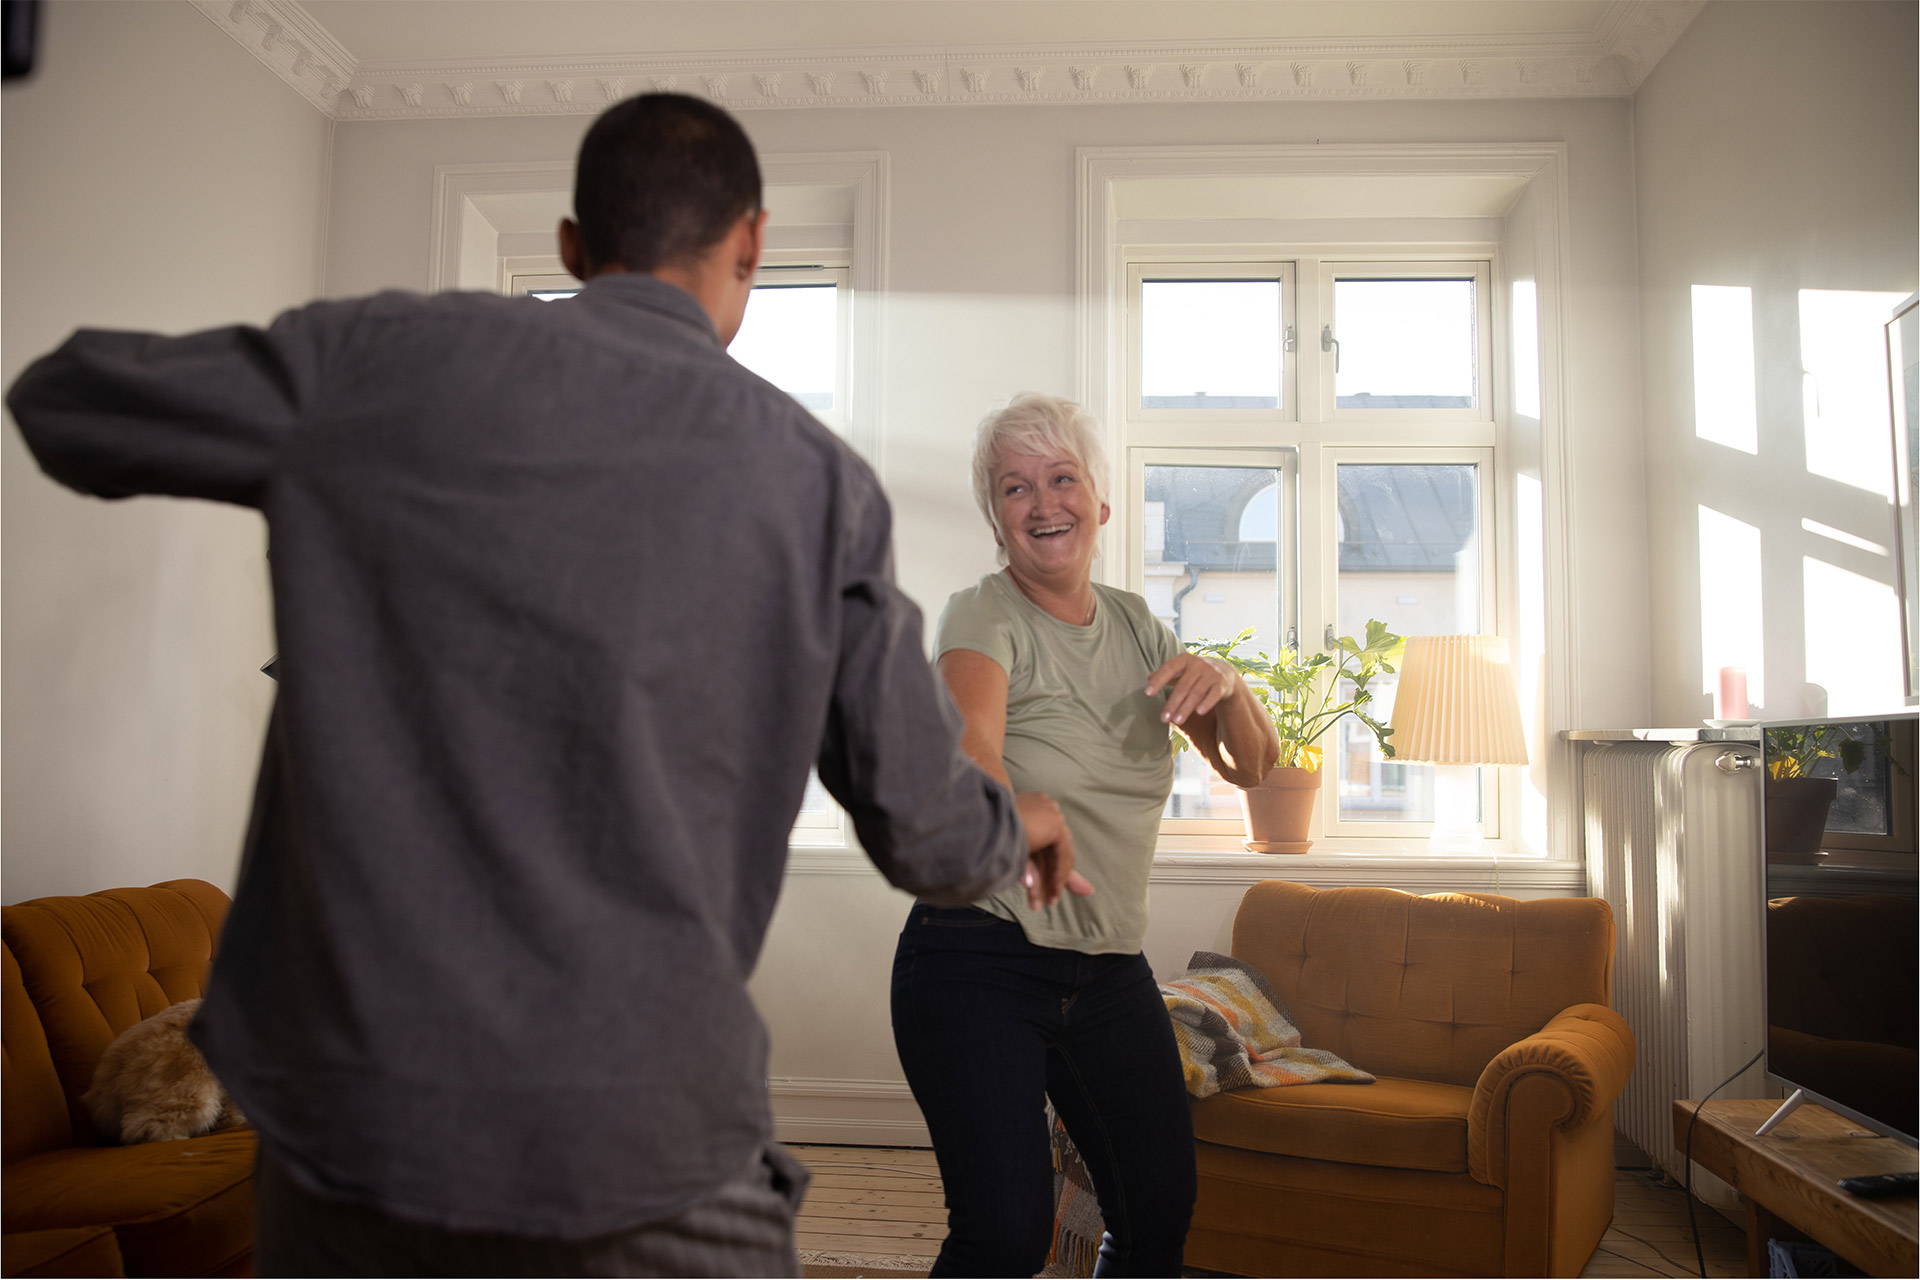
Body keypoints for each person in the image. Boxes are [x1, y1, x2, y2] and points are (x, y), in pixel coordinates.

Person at [7, 94, 1082, 1277]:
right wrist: (1020, 815)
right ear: (753, 246)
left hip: (358, 1130)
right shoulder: (816, 480)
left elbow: (68, 401)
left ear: (573, 246)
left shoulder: (386, 362)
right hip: (646, 1137)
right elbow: (931, 838)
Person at [890, 393, 1281, 1277]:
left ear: (1100, 504)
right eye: (1015, 488)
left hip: (1105, 972)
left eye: (1062, 478)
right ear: (997, 519)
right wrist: (1022, 815)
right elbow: (965, 756)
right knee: (1004, 1232)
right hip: (975, 959)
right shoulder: (983, 616)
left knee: (1158, 1215)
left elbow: (1253, 769)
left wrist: (1228, 681)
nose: (1043, 503)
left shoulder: (1141, 626)